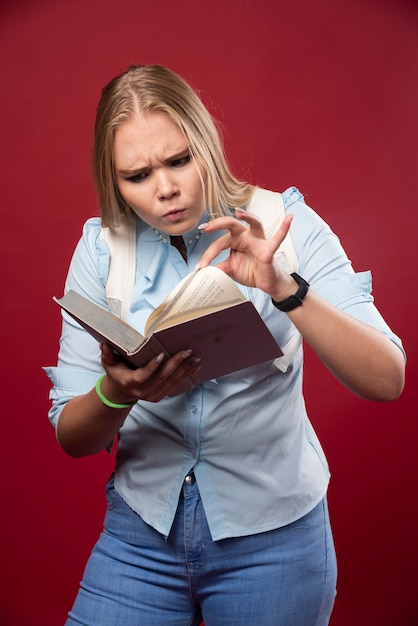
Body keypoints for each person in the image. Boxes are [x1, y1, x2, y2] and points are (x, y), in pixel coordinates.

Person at [45, 64, 405, 626]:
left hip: (276, 544)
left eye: (179, 160)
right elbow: (73, 434)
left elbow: (387, 379)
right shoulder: (99, 250)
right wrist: (119, 392)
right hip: (140, 539)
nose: (164, 189)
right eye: (136, 175)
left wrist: (282, 288)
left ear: (207, 144)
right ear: (112, 180)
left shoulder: (287, 223)